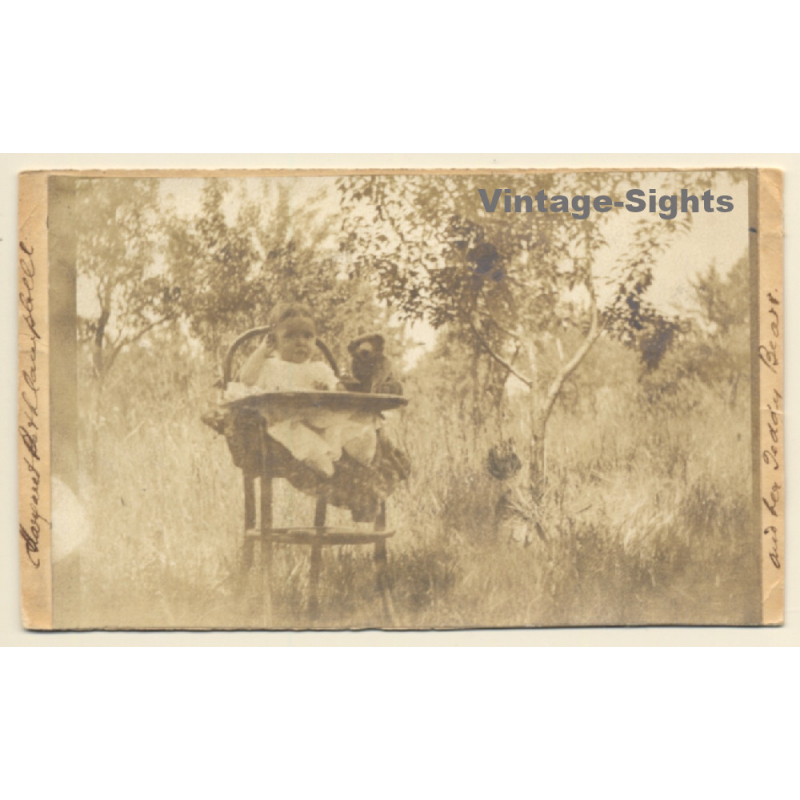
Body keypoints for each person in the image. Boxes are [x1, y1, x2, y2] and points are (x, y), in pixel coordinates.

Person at [230, 303, 377, 478]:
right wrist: (262, 351)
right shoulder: (270, 366)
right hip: (287, 420)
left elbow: (342, 394)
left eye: (308, 336)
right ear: (274, 341)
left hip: (320, 420)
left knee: (340, 425)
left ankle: (360, 448)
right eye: (289, 337)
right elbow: (245, 379)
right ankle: (319, 460)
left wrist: (330, 390)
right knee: (298, 436)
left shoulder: (319, 369)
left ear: (315, 340)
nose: (300, 342)